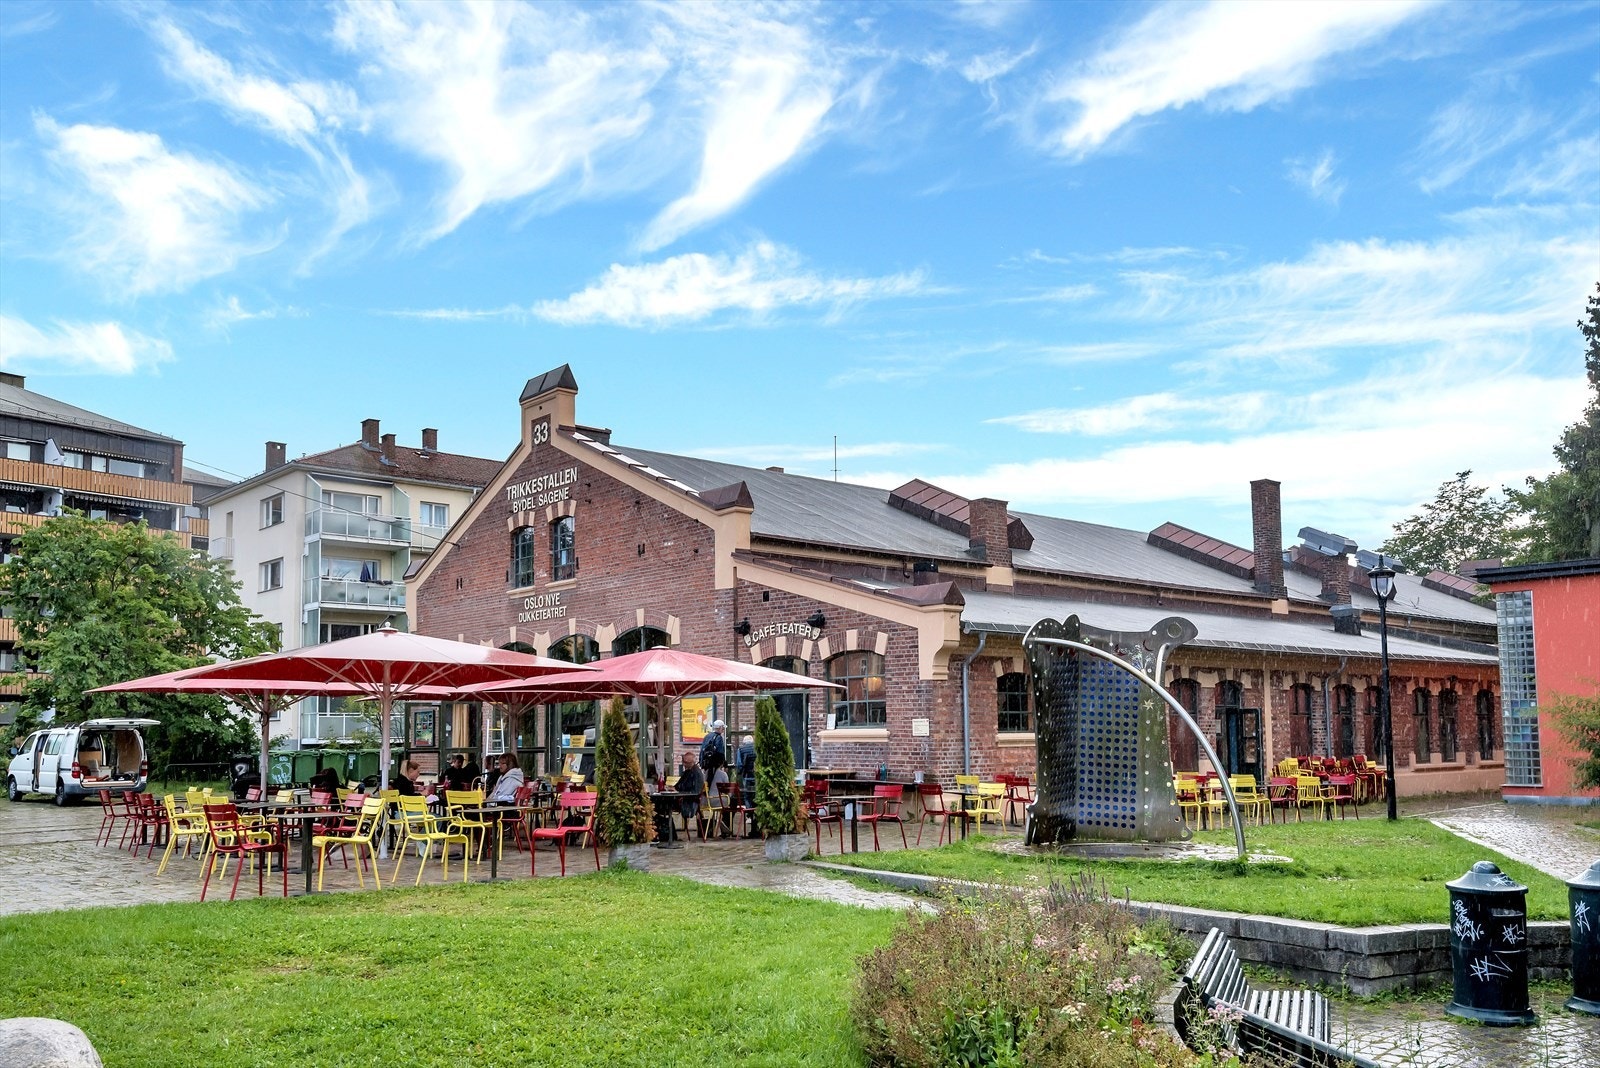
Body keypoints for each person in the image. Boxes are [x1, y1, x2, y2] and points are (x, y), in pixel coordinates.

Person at [735, 733, 757, 837]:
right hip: (757, 776)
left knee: (747, 796)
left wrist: (739, 773)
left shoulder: (741, 749)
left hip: (747, 776)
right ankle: (756, 815)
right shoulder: (756, 749)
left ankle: (749, 814)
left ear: (744, 742)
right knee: (757, 796)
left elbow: (739, 765)